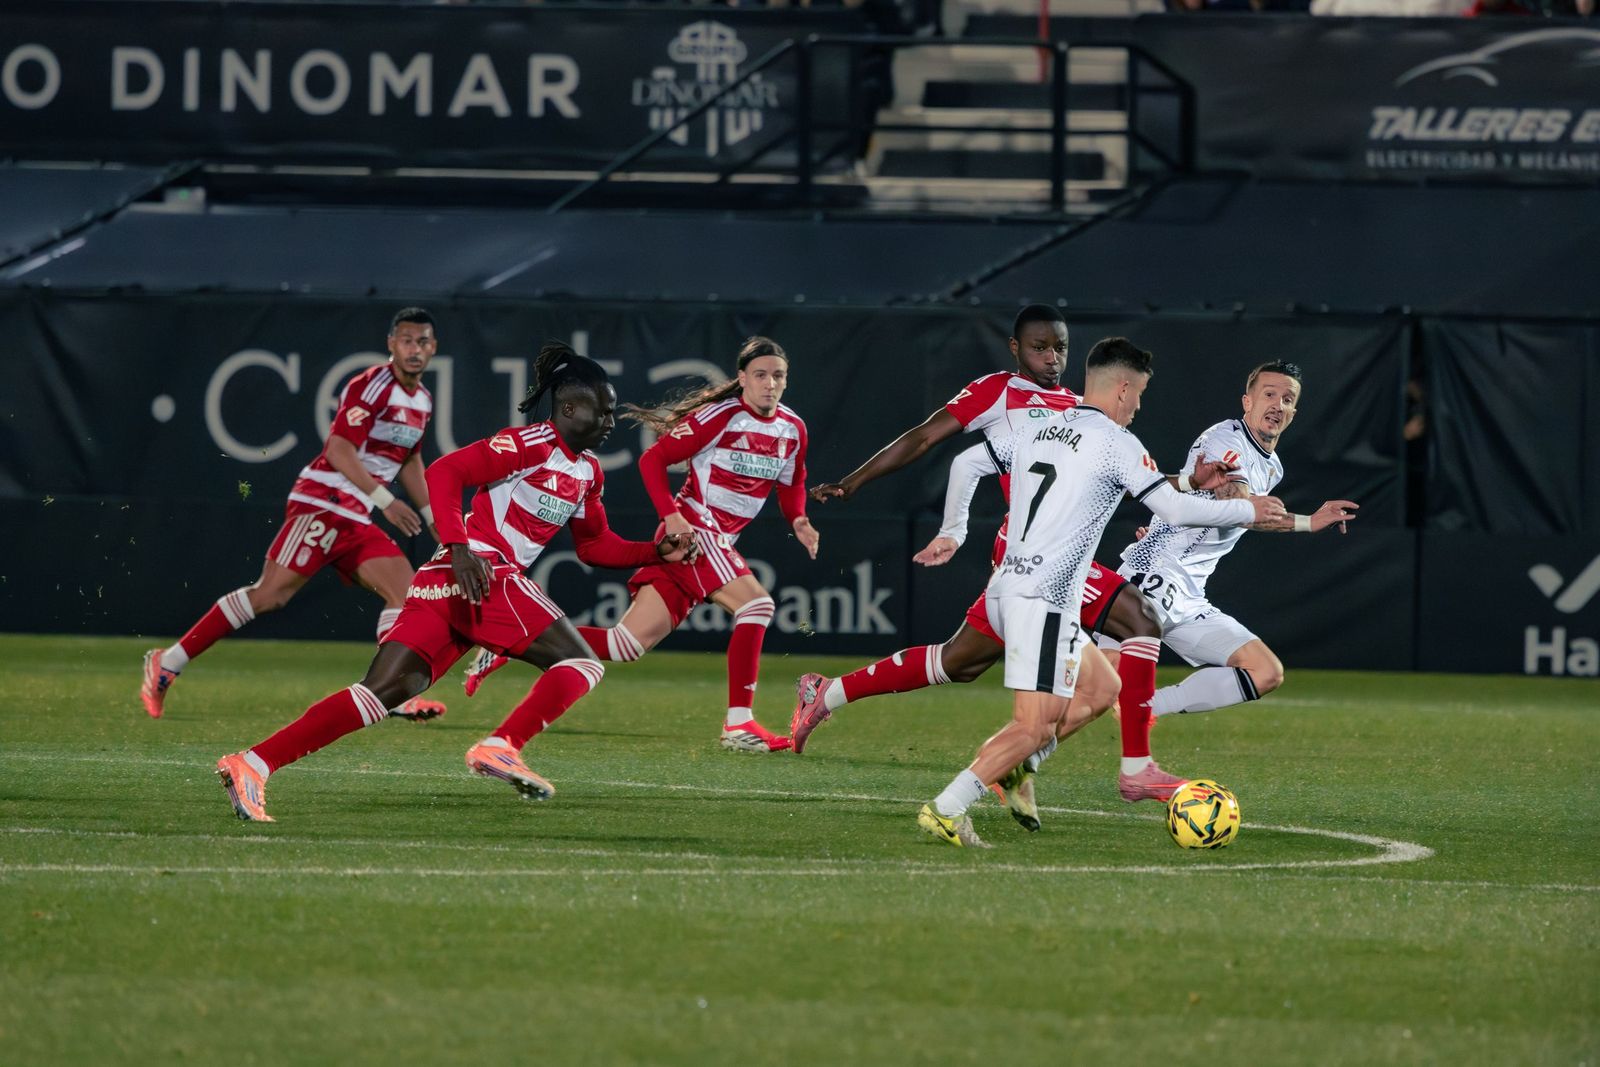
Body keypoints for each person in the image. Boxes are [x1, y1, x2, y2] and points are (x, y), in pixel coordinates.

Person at [214, 343, 697, 822]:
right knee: (582, 663)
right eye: (603, 411)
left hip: (453, 583)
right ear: (569, 408)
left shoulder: (588, 473)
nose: (611, 422)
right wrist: (460, 547)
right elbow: (446, 471)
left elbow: (595, 546)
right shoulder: (530, 444)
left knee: (378, 694)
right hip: (480, 571)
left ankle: (252, 763)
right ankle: (502, 746)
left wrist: (654, 552)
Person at [793, 306, 1198, 818]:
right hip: (1029, 553)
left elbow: (1139, 482)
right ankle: (1126, 766)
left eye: (1059, 348)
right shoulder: (999, 391)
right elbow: (925, 437)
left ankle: (827, 693)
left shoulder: (1079, 409)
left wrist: (1193, 481)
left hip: (1052, 554)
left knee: (960, 662)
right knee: (1139, 618)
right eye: (1039, 348)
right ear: (1015, 349)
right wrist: (858, 483)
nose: (1051, 359)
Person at [916, 337, 1286, 848]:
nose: (1138, 408)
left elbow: (964, 465)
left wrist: (954, 530)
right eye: (1140, 396)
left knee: (1102, 688)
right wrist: (1248, 509)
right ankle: (947, 808)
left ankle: (1130, 766)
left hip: (1013, 585)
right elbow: (1173, 511)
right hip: (1043, 597)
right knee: (1035, 727)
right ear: (1124, 389)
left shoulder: (1041, 425)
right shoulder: (1117, 442)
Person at [462, 336, 819, 753]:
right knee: (756, 606)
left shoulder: (793, 428)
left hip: (718, 540)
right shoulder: (721, 416)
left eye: (778, 376)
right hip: (695, 530)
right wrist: (672, 515)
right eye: (760, 374)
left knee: (625, 644)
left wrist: (799, 519)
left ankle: (509, 646)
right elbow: (653, 459)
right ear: (742, 378)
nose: (769, 383)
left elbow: (792, 483)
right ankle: (739, 724)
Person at [141, 307, 448, 723]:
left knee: (407, 593)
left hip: (356, 514)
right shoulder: (371, 385)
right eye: (407, 341)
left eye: (423, 342)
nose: (415, 350)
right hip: (323, 501)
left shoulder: (422, 399)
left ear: (434, 347)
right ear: (391, 344)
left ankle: (389, 692)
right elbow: (338, 450)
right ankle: (169, 661)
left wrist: (432, 515)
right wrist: (385, 501)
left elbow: (409, 458)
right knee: (270, 595)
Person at [1116, 360, 1358, 719]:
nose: (1278, 405)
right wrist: (1309, 522)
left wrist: (1303, 520)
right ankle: (1031, 746)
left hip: (1189, 595)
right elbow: (1241, 508)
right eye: (1269, 395)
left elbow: (1242, 512)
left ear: (1294, 412)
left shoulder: (1273, 466)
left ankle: (1143, 709)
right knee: (1097, 687)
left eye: (1287, 399)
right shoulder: (1224, 438)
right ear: (1248, 402)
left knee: (1265, 672)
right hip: (1154, 575)